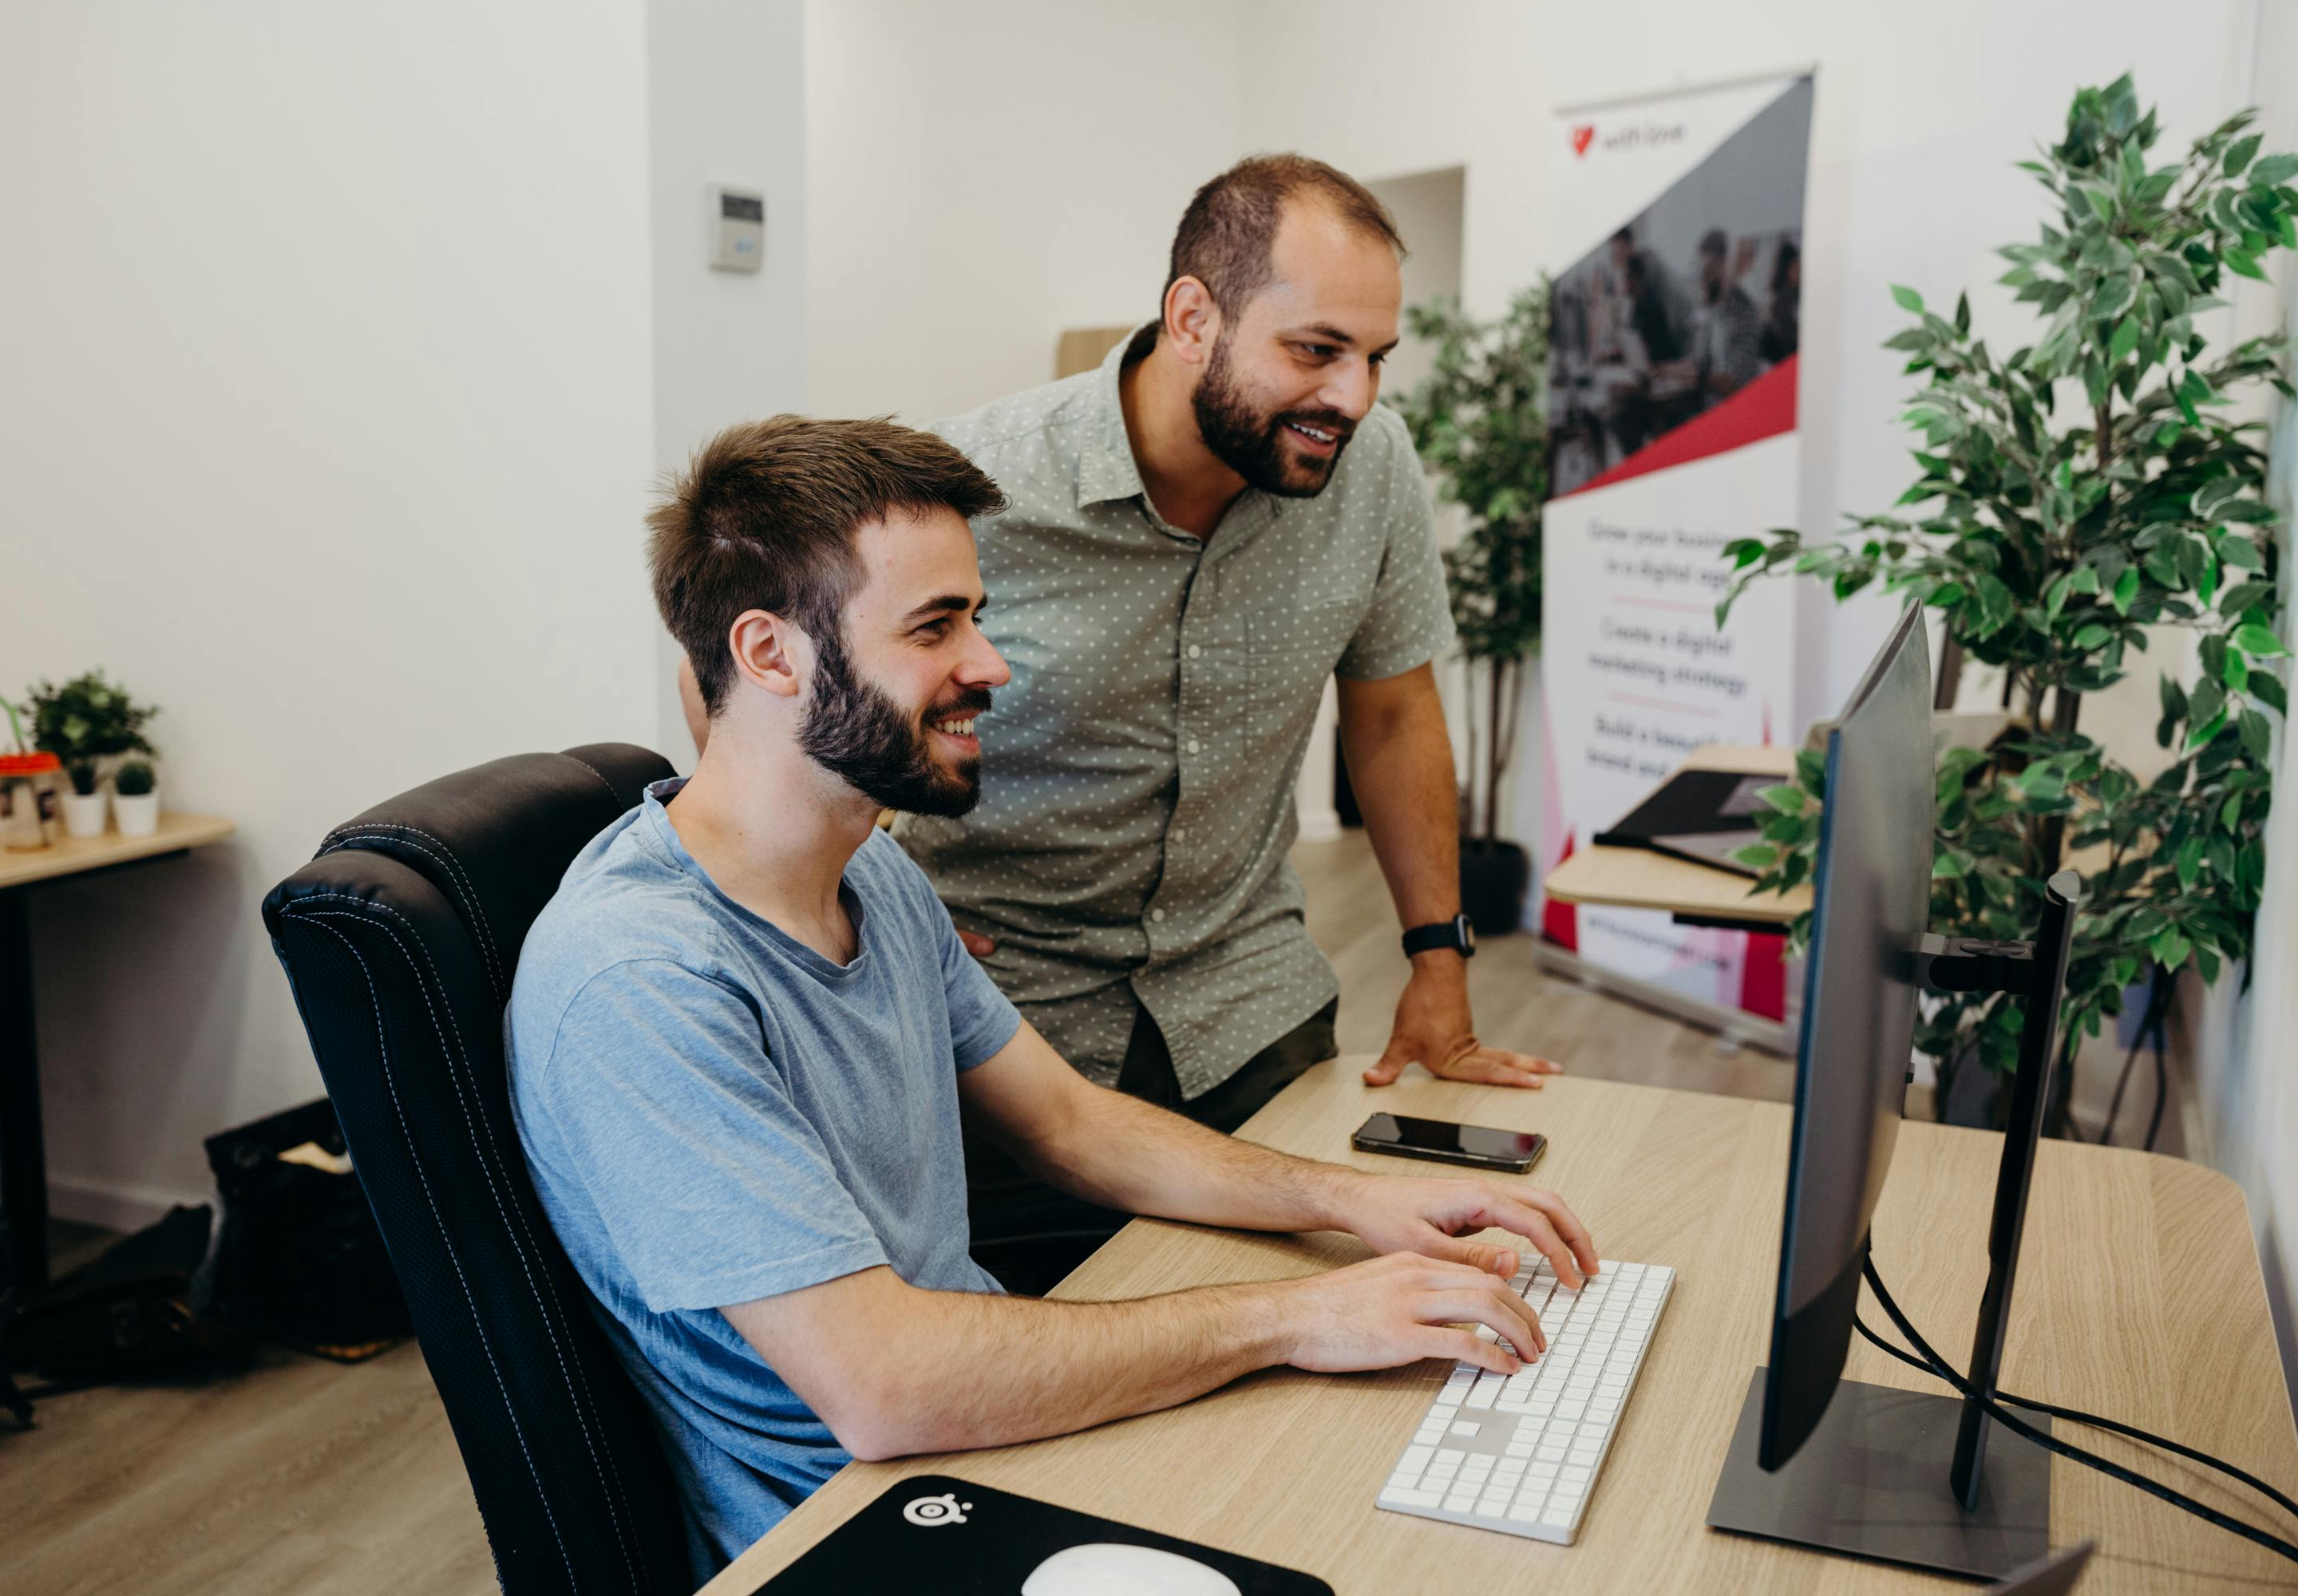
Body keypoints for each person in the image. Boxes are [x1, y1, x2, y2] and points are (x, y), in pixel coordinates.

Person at [516, 416, 1602, 1581]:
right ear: (771, 656)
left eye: (975, 616)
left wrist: (1354, 1205)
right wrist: (1298, 1318)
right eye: (936, 626)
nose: (990, 665)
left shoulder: (868, 868)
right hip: (866, 1525)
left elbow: (1069, 1121)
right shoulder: (645, 980)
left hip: (987, 1454)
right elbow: (886, 1387)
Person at [682, 155, 1568, 1297]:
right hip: (1004, 1041)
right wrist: (851, 904)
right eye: (1315, 351)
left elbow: (1394, 713)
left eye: (1375, 359)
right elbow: (747, 679)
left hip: (1249, 1006)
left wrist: (1437, 960)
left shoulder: (1371, 470)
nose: (1354, 397)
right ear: (1192, 317)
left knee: (1333, 1360)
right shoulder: (979, 485)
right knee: (1046, 1386)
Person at [1689, 227, 1762, 404]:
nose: (1704, 279)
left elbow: (1736, 383)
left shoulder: (1743, 311)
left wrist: (1693, 379)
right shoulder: (1712, 311)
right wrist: (1669, 371)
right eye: (1702, 271)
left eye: (1710, 270)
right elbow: (1700, 363)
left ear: (1725, 265)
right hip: (1710, 405)